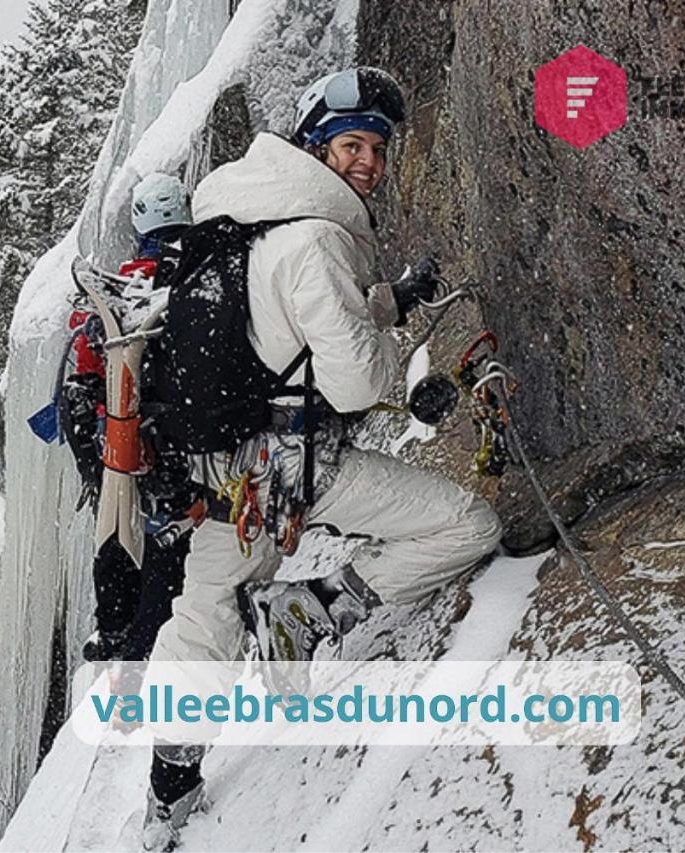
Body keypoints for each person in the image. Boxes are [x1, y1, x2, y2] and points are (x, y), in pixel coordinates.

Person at [139, 68, 504, 851]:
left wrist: (385, 301)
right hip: (300, 468)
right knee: (467, 524)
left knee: (202, 616)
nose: (368, 161)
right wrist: (398, 359)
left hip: (225, 467)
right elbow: (356, 376)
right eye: (351, 144)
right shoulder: (316, 237)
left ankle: (167, 788)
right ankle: (308, 610)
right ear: (315, 146)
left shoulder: (247, 221)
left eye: (376, 146)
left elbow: (286, 328)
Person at [60, 173, 202, 664]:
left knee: (120, 532)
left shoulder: (118, 289)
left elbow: (83, 376)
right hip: (188, 435)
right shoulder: (199, 272)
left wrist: (92, 459)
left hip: (125, 435)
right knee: (173, 543)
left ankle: (121, 635)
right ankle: (150, 638)